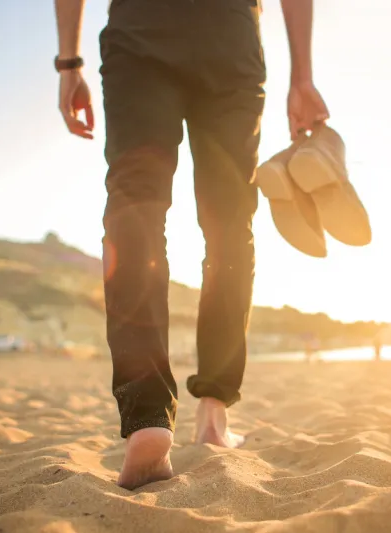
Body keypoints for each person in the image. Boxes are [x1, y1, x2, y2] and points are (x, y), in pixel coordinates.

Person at [53, 0, 329, 489]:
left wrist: (68, 62)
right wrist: (302, 76)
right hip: (230, 34)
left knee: (134, 208)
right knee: (228, 224)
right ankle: (213, 416)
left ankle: (148, 419)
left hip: (140, 29)